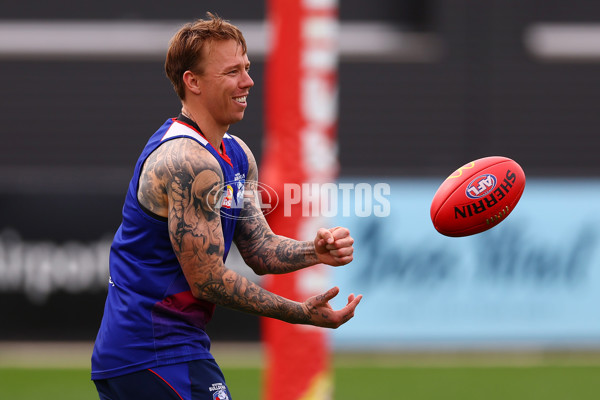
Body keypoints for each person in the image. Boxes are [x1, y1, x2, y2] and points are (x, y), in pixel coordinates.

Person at [91, 13, 362, 400]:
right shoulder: (186, 160)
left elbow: (260, 251)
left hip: (167, 349)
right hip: (150, 351)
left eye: (247, 68)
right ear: (193, 81)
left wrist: (313, 252)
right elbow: (209, 279)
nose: (248, 81)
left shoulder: (236, 154)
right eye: (232, 71)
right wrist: (300, 313)